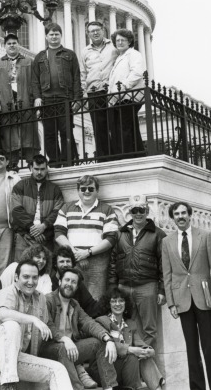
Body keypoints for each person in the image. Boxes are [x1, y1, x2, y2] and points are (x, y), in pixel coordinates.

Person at [0, 260, 100, 390]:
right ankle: (8, 386)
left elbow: (41, 332)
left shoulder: (40, 298)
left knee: (57, 368)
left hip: (16, 357)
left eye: (34, 277)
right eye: (26, 277)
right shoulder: (7, 293)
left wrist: (62, 340)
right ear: (16, 277)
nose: (31, 281)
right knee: (12, 325)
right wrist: (33, 319)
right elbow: (4, 314)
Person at [162, 201, 211, 390]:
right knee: (191, 348)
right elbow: (167, 274)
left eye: (183, 213)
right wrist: (171, 303)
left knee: (209, 347)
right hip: (182, 301)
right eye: (176, 214)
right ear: (173, 217)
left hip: (204, 298)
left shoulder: (204, 236)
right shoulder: (167, 242)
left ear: (190, 215)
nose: (180, 216)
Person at [41, 268, 126, 390]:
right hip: (48, 349)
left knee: (100, 343)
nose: (70, 284)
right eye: (67, 280)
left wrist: (108, 338)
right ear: (60, 281)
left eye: (74, 282)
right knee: (63, 348)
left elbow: (88, 323)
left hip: (69, 349)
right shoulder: (48, 300)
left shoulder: (74, 304)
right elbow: (47, 324)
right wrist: (64, 339)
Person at [96, 287, 177, 390]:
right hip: (107, 370)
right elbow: (110, 346)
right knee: (133, 355)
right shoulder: (102, 321)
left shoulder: (130, 323)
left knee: (143, 357)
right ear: (108, 304)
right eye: (114, 301)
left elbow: (140, 343)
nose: (118, 304)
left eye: (121, 301)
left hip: (125, 369)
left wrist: (148, 350)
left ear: (126, 303)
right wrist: (131, 349)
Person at [109, 198, 166, 349]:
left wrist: (162, 290)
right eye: (135, 210)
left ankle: (145, 364)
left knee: (149, 329)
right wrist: (113, 288)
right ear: (130, 213)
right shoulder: (120, 234)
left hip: (147, 286)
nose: (138, 214)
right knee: (126, 326)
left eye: (142, 210)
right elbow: (113, 261)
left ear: (147, 212)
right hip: (124, 287)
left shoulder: (158, 234)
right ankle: (132, 362)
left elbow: (164, 264)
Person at [54, 174, 118, 299]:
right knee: (72, 296)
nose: (87, 191)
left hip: (98, 262)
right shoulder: (66, 208)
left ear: (97, 190)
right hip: (74, 260)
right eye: (83, 189)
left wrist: (87, 253)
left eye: (90, 188)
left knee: (95, 298)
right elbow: (58, 234)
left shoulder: (107, 210)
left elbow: (111, 239)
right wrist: (76, 253)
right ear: (78, 190)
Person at [0, 33, 39, 171]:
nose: (12, 45)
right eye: (9, 43)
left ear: (18, 45)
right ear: (5, 46)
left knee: (29, 133)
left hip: (25, 101)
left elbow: (35, 81)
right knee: (10, 135)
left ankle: (32, 163)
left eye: (14, 43)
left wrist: (36, 98)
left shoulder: (28, 61)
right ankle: (12, 164)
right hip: (6, 102)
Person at [32, 23, 82, 166]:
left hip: (65, 98)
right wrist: (37, 97)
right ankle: (54, 161)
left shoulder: (70, 54)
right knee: (49, 133)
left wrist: (77, 98)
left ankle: (69, 161)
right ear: (46, 37)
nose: (54, 37)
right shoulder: (40, 57)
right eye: (51, 34)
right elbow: (35, 80)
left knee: (66, 131)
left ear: (61, 36)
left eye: (56, 34)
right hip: (47, 100)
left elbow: (76, 77)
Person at [10, 154, 64, 258]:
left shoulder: (54, 189)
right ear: (31, 168)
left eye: (42, 169)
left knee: (45, 269)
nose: (39, 172)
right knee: (21, 267)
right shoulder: (20, 186)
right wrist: (32, 228)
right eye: (36, 169)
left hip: (45, 237)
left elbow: (58, 211)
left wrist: (44, 226)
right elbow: (16, 210)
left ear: (47, 169)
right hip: (24, 236)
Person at [80, 20, 118, 161]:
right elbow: (83, 73)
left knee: (114, 124)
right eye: (91, 31)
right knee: (98, 127)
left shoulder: (113, 46)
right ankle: (104, 158)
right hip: (94, 92)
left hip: (111, 90)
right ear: (88, 33)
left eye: (97, 30)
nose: (95, 33)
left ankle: (117, 156)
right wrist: (83, 92)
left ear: (103, 30)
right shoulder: (85, 52)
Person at [108, 29, 145, 158]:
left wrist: (124, 86)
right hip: (118, 98)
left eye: (123, 40)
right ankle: (131, 154)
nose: (119, 42)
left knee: (126, 128)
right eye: (117, 40)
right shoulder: (119, 58)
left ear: (129, 41)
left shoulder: (134, 54)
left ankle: (129, 155)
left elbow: (137, 72)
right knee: (122, 128)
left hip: (129, 96)